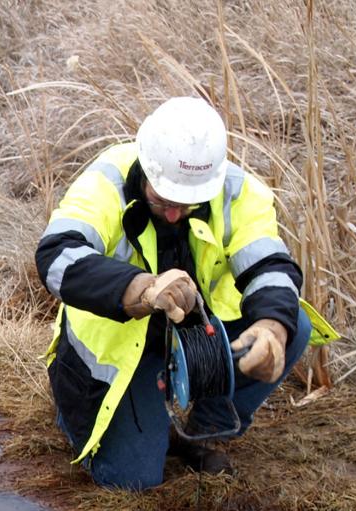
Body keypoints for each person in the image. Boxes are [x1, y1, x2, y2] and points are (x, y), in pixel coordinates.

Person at [36, 96, 314, 489]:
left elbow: (269, 266)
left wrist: (273, 327)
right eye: (163, 200)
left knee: (294, 322)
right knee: (132, 481)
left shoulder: (237, 192)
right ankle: (75, 416)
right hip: (118, 348)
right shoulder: (106, 181)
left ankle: (206, 429)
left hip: (190, 337)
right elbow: (55, 255)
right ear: (145, 164)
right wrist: (141, 289)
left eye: (186, 204)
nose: (172, 214)